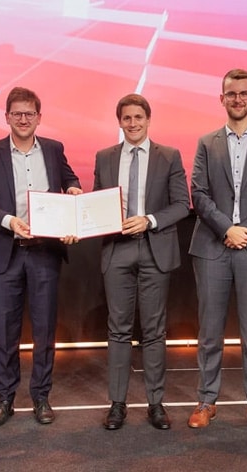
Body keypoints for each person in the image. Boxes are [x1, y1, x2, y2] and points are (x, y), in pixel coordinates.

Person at [0, 87, 82, 428]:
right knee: (7, 333)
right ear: (7, 117)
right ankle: (5, 398)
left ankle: (41, 396)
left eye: (29, 114)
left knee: (44, 331)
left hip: (44, 253)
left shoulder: (53, 148)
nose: (23, 119)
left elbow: (69, 177)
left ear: (39, 117)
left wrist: (74, 188)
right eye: (17, 114)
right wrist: (9, 221)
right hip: (6, 253)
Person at [187, 69, 247, 430]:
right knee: (209, 332)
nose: (238, 99)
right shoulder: (206, 142)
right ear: (222, 99)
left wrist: (246, 231)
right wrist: (226, 228)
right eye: (231, 94)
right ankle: (206, 400)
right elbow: (198, 193)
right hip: (212, 246)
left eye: (244, 93)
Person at [93, 94, 190, 430]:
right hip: (116, 249)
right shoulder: (104, 157)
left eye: (138, 117)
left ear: (148, 119)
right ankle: (117, 404)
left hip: (154, 249)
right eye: (126, 118)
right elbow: (97, 203)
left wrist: (149, 220)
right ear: (119, 122)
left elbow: (182, 204)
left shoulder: (169, 156)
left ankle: (155, 404)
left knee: (154, 330)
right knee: (118, 329)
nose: (132, 123)